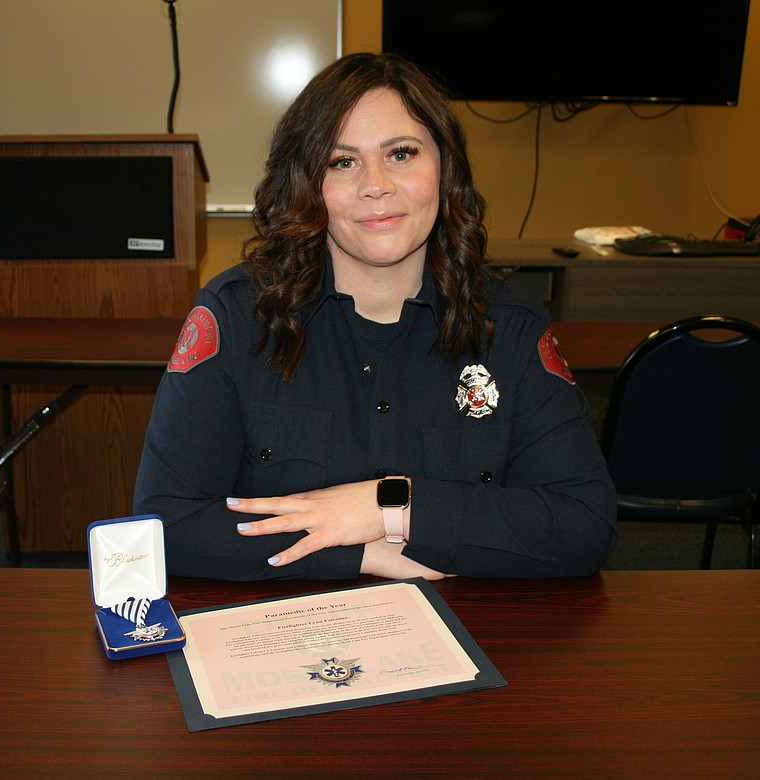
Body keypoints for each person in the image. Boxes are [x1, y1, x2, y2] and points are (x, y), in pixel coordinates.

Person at [133, 52, 616, 581]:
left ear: (445, 167)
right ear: (307, 184)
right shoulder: (236, 317)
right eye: (343, 162)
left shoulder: (511, 326)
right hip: (283, 639)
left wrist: (394, 505)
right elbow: (165, 524)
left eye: (402, 153)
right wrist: (360, 553)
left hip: (471, 634)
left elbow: (583, 525)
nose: (376, 184)